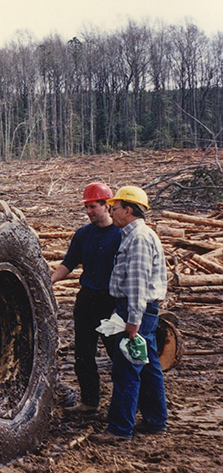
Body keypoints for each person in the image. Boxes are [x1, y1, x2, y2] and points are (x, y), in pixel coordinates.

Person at [92, 185, 168, 442]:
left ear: (128, 209)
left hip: (138, 310)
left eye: (114, 208)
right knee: (148, 367)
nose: (111, 212)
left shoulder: (138, 238)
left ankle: (119, 429)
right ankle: (156, 420)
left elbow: (137, 284)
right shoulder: (135, 235)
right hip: (138, 309)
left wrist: (132, 320)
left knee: (126, 369)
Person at [51, 182, 121, 413]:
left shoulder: (120, 234)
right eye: (87, 208)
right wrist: (49, 281)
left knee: (118, 355)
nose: (89, 212)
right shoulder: (83, 234)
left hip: (111, 303)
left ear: (107, 206)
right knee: (83, 354)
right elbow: (69, 263)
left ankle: (125, 406)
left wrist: (122, 306)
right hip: (87, 301)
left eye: (93, 207)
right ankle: (90, 402)